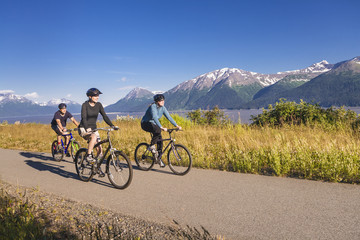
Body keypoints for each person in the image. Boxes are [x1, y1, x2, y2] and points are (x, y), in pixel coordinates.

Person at [78, 88, 116, 177]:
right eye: (95, 96)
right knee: (93, 137)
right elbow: (83, 117)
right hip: (84, 128)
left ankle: (97, 167)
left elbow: (104, 116)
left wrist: (112, 125)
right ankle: (88, 155)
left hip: (94, 129)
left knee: (100, 150)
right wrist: (87, 128)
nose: (97, 97)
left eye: (98, 95)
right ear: (90, 96)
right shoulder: (85, 105)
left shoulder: (99, 105)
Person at [141, 94, 181, 167]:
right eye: (160, 100)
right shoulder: (153, 107)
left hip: (153, 124)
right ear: (157, 101)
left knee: (160, 140)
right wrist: (161, 127)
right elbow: (155, 118)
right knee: (158, 130)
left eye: (163, 100)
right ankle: (151, 145)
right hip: (145, 123)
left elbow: (169, 117)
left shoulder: (163, 108)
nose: (162, 102)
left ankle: (159, 158)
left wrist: (176, 125)